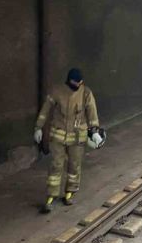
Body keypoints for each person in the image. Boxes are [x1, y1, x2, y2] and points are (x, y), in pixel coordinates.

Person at [33, 68, 102, 213]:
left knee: (74, 166)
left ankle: (70, 192)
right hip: (58, 136)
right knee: (56, 165)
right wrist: (38, 127)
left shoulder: (86, 93)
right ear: (69, 80)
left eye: (80, 82)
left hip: (77, 138)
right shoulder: (57, 91)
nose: (78, 85)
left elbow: (92, 113)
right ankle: (51, 196)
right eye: (75, 82)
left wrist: (94, 131)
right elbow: (45, 109)